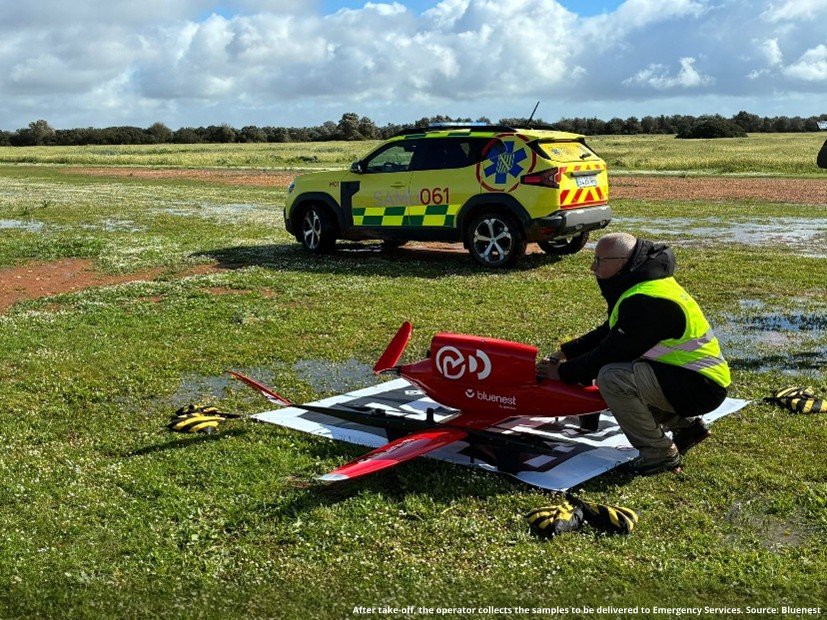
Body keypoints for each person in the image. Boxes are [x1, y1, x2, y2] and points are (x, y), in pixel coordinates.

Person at [536, 232, 730, 475]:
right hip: (690, 378)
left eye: (599, 261)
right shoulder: (644, 284)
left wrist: (562, 373)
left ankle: (658, 453)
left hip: (698, 388)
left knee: (612, 377)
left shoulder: (648, 301)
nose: (592, 267)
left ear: (622, 262)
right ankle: (687, 428)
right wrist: (563, 353)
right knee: (624, 372)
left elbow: (608, 353)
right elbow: (609, 332)